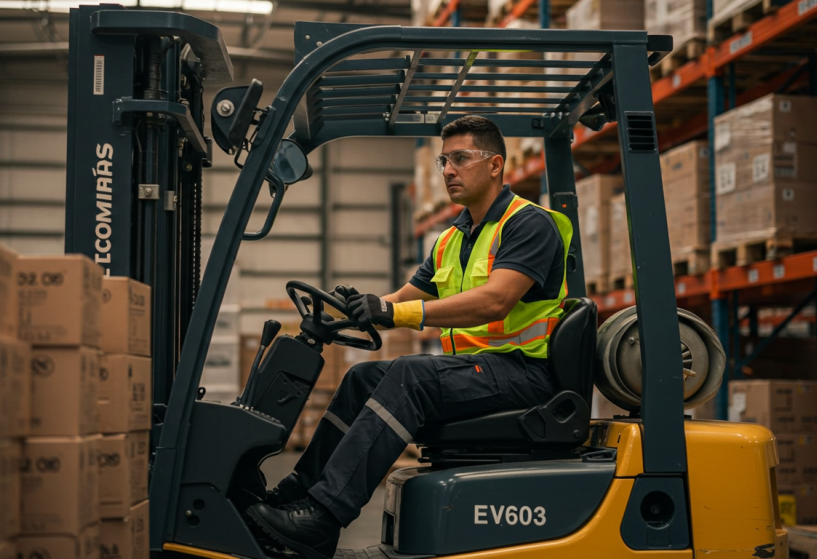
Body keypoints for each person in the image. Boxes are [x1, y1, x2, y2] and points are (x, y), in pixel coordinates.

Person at [245, 115, 574, 559]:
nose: (448, 170)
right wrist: (355, 310)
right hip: (481, 372)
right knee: (363, 379)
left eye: (461, 158)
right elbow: (401, 299)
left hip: (525, 374)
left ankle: (324, 517)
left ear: (495, 165)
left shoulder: (527, 224)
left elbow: (496, 301)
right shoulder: (451, 239)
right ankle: (297, 494)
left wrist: (398, 312)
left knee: (410, 375)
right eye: (443, 161)